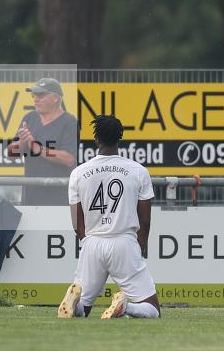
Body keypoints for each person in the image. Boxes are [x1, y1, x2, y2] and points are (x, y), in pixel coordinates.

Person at [57, 115, 160, 320]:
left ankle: (74, 304)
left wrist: (88, 241)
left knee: (83, 307)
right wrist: (139, 246)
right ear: (119, 137)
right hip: (124, 241)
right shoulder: (138, 171)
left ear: (97, 139)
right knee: (152, 309)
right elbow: (145, 220)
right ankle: (126, 307)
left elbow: (77, 222)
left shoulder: (78, 173)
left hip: (92, 242)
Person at [7, 78, 78, 205]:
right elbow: (10, 155)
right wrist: (22, 142)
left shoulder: (69, 122)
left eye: (41, 95)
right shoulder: (29, 118)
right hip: (30, 198)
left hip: (59, 199)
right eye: (34, 95)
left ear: (55, 98)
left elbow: (68, 158)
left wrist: (38, 148)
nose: (35, 99)